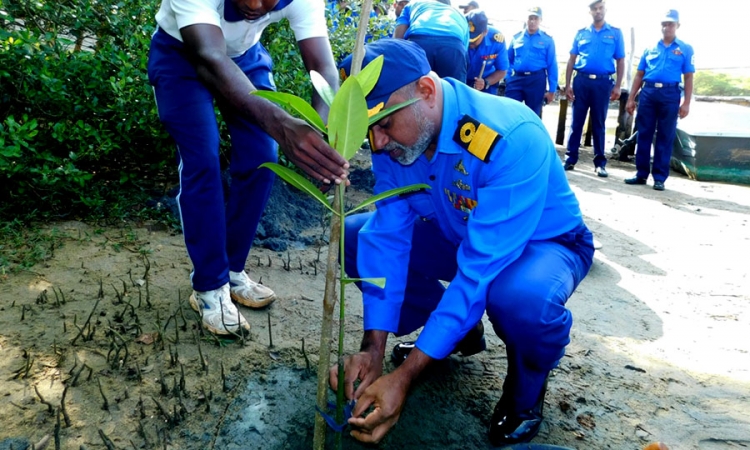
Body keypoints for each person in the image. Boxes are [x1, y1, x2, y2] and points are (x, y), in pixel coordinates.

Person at [333, 39, 594, 446]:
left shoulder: (507, 136)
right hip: (464, 236)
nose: (378, 143)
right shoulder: (399, 141)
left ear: (426, 90)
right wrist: (373, 348)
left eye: (384, 123)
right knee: (356, 237)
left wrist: (404, 377)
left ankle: (525, 391)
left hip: (543, 246)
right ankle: (458, 332)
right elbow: (388, 239)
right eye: (369, 130)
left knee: (518, 300)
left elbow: (477, 271)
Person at [148, 0, 348, 335]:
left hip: (243, 57)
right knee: (202, 160)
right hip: (183, 52)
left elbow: (324, 70)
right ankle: (210, 288)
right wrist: (283, 126)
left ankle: (230, 272)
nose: (255, 5)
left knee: (262, 155)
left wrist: (319, 136)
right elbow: (210, 57)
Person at [624, 9, 694, 191]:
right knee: (644, 133)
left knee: (665, 135)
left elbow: (688, 77)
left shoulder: (685, 49)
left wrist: (686, 103)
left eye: (671, 23)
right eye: (664, 23)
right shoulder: (650, 48)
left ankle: (660, 177)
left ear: (678, 25)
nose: (667, 27)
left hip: (670, 95)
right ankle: (641, 174)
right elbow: (639, 74)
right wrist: (631, 98)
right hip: (648, 93)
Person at [563, 0, 625, 178]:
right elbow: (572, 59)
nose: (598, 11)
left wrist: (618, 85)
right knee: (576, 122)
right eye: (594, 9)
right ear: (589, 11)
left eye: (600, 8)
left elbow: (620, 60)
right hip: (581, 82)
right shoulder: (581, 33)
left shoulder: (615, 33)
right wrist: (568, 84)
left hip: (603, 83)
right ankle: (570, 159)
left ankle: (599, 163)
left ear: (605, 9)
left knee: (599, 123)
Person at [394, 0, 470, 81]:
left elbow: (398, 39)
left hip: (420, 41)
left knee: (412, 87)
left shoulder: (414, 4)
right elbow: (464, 52)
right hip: (453, 46)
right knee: (454, 89)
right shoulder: (460, 15)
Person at [505, 7, 558, 117]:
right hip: (516, 80)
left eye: (535, 18)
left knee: (533, 115)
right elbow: (507, 60)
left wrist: (552, 90)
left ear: (540, 20)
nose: (532, 21)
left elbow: (552, 65)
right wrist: (508, 77)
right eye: (530, 18)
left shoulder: (547, 40)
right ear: (526, 19)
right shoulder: (516, 38)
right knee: (510, 112)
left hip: (536, 81)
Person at [465, 10, 509, 94]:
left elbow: (502, 70)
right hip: (461, 81)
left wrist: (485, 82)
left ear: (485, 32)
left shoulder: (496, 40)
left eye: (474, 40)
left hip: (486, 84)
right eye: (468, 39)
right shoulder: (458, 35)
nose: (470, 43)